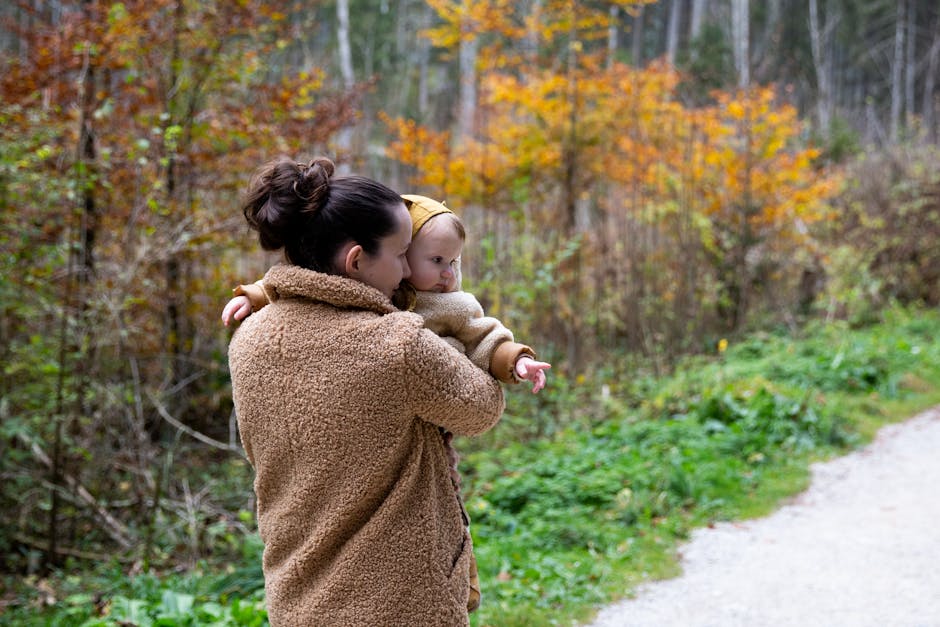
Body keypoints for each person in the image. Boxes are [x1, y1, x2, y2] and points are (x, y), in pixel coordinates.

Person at [223, 194, 552, 612]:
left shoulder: (249, 337)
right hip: (399, 598)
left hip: (296, 596)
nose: (406, 272)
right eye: (400, 255)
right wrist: (453, 347)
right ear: (357, 260)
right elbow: (482, 409)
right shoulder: (399, 344)